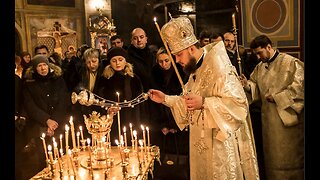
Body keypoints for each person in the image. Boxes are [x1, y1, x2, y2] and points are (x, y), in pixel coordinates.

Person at [148, 16, 260, 180]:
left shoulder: (220, 67)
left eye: (179, 55)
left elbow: (239, 105)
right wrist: (166, 99)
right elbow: (189, 101)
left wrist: (205, 102)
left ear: (191, 49)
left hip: (220, 146)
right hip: (199, 142)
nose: (177, 60)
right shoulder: (195, 69)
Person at [240, 35, 304, 180]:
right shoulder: (260, 67)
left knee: (288, 158)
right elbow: (254, 86)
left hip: (287, 125)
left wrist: (277, 97)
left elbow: (300, 89)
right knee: (272, 160)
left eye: (259, 53)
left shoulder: (290, 63)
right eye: (255, 53)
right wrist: (247, 85)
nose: (257, 57)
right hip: (268, 123)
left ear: (269, 47)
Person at [22, 54, 72, 177]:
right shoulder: (29, 83)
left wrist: (54, 121)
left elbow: (63, 101)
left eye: (45, 65)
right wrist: (46, 121)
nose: (43, 68)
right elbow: (30, 105)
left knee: (61, 155)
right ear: (34, 69)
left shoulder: (58, 79)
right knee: (44, 158)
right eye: (39, 66)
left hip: (58, 124)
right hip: (40, 126)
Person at [93, 47, 147, 145]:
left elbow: (140, 102)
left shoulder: (134, 79)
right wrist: (107, 109)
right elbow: (98, 100)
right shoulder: (104, 79)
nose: (117, 63)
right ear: (110, 62)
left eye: (120, 60)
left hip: (131, 119)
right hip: (111, 121)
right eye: (114, 61)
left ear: (125, 61)